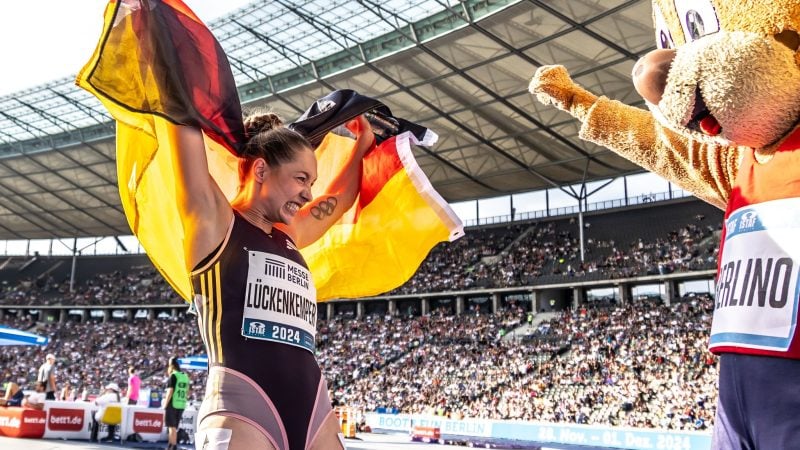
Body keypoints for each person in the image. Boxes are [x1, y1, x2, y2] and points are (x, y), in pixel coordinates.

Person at [171, 111, 373, 450]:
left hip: (315, 412)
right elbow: (180, 123)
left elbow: (339, 200)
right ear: (261, 170)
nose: (309, 194)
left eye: (311, 183)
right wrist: (176, 63)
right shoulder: (215, 222)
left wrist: (363, 142)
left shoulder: (291, 234)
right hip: (243, 411)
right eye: (301, 179)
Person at [163, 357, 189, 450]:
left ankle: (172, 446)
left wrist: (165, 404)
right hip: (181, 404)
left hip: (172, 403)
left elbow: (170, 391)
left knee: (171, 427)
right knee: (174, 427)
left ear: (171, 365)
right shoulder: (185, 376)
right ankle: (171, 445)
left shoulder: (173, 375)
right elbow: (187, 391)